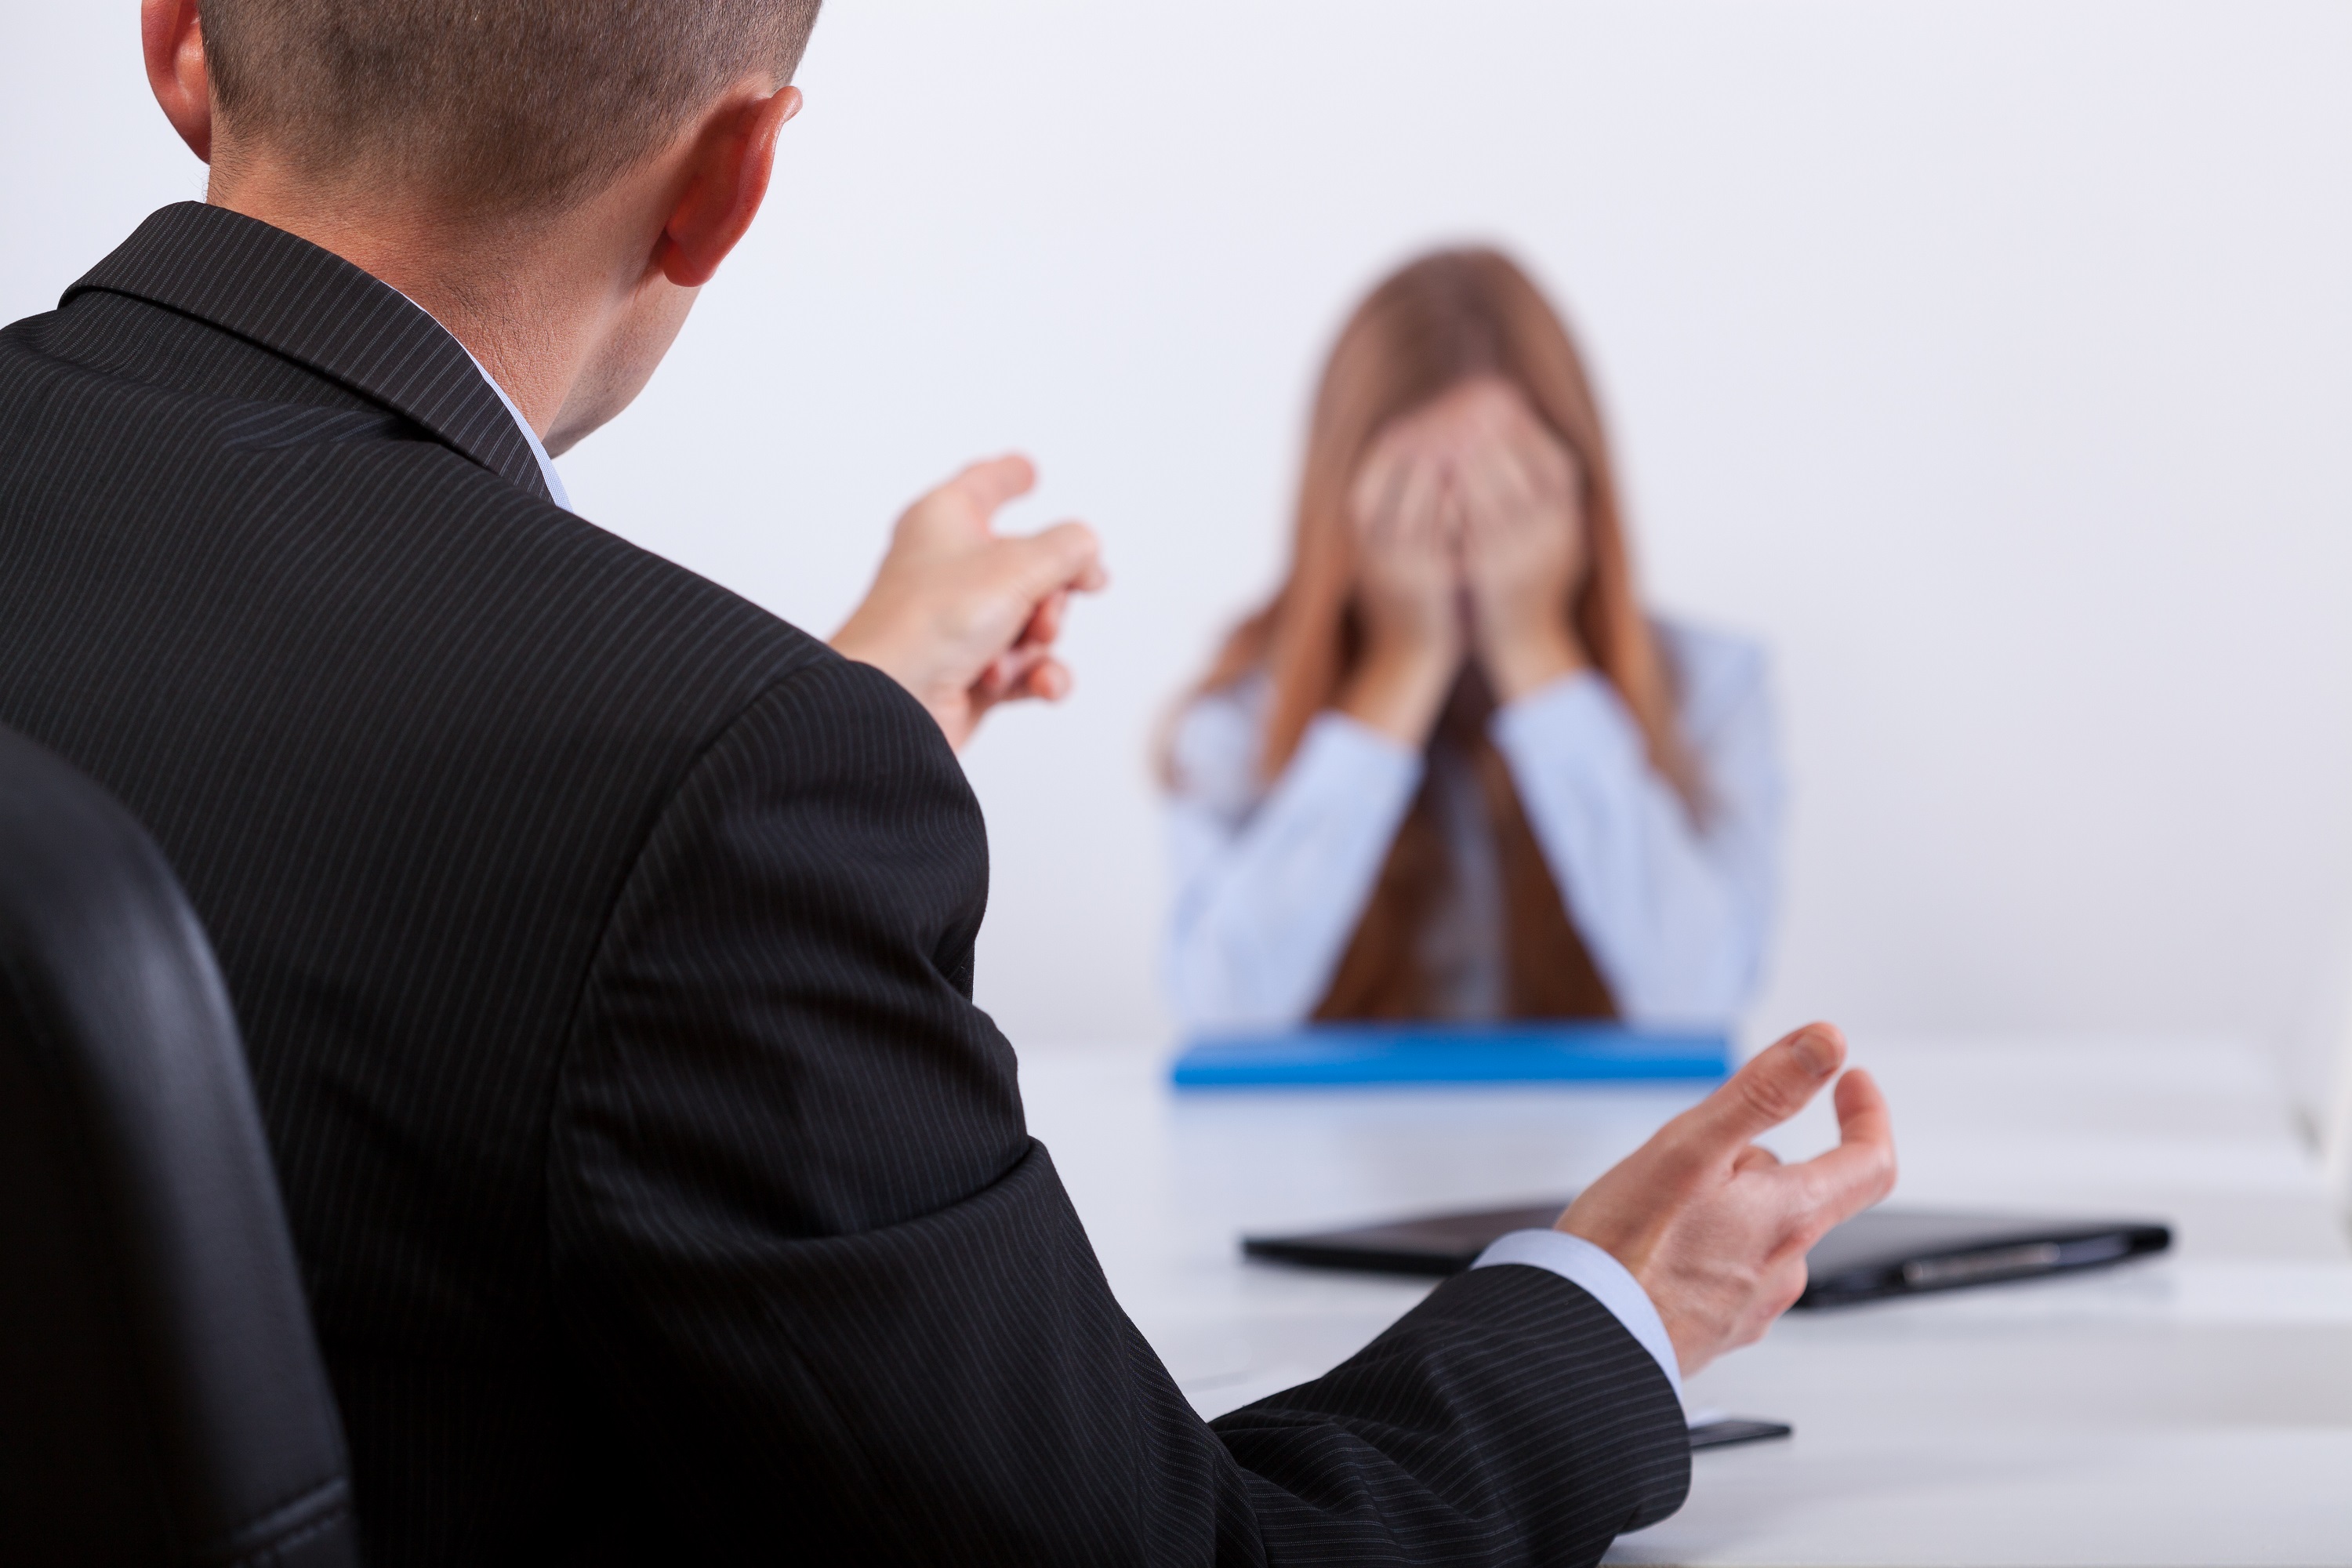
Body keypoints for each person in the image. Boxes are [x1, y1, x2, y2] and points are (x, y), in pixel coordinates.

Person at [0, 2, 1894, 1563]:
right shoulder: (716, 780)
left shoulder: (723, 773)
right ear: (728, 184)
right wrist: (1606, 1310)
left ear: (177, 38)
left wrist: (791, 749)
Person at [1167, 250, 1779, 1034]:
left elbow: (1701, 995)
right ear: (1342, 497)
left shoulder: (1713, 681)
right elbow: (1221, 1011)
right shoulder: (1241, 705)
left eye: (1506, 490)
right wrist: (1401, 665)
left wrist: (1536, 649)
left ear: (1579, 484)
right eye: (1413, 497)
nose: (1460, 533)